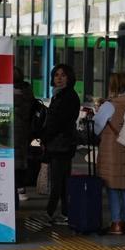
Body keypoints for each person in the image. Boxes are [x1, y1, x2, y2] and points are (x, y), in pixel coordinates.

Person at [95, 72, 125, 235]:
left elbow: (96, 128)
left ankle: (117, 223)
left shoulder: (109, 105)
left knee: (113, 187)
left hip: (112, 150)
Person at [40, 63, 80, 225]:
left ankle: (49, 213)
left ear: (69, 78)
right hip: (62, 143)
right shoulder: (60, 95)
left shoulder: (67, 96)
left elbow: (57, 122)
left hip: (61, 143)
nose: (59, 78)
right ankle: (65, 213)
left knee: (57, 180)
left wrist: (44, 137)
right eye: (56, 75)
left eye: (63, 75)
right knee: (62, 180)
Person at [13, 67, 35, 203]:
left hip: (19, 130)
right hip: (20, 130)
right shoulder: (27, 90)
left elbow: (26, 110)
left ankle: (20, 187)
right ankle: (20, 187)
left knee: (19, 160)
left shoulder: (23, 91)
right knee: (19, 159)